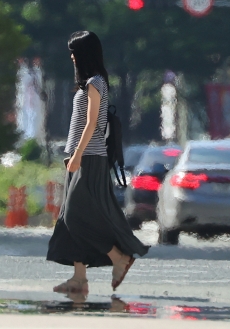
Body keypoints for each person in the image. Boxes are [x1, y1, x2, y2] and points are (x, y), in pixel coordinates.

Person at [47, 31, 149, 294]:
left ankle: (119, 257)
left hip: (89, 158)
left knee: (76, 215)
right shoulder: (88, 84)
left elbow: (93, 122)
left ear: (85, 54)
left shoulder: (95, 83)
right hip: (80, 157)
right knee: (69, 220)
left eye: (75, 51)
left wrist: (78, 155)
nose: (71, 56)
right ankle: (79, 278)